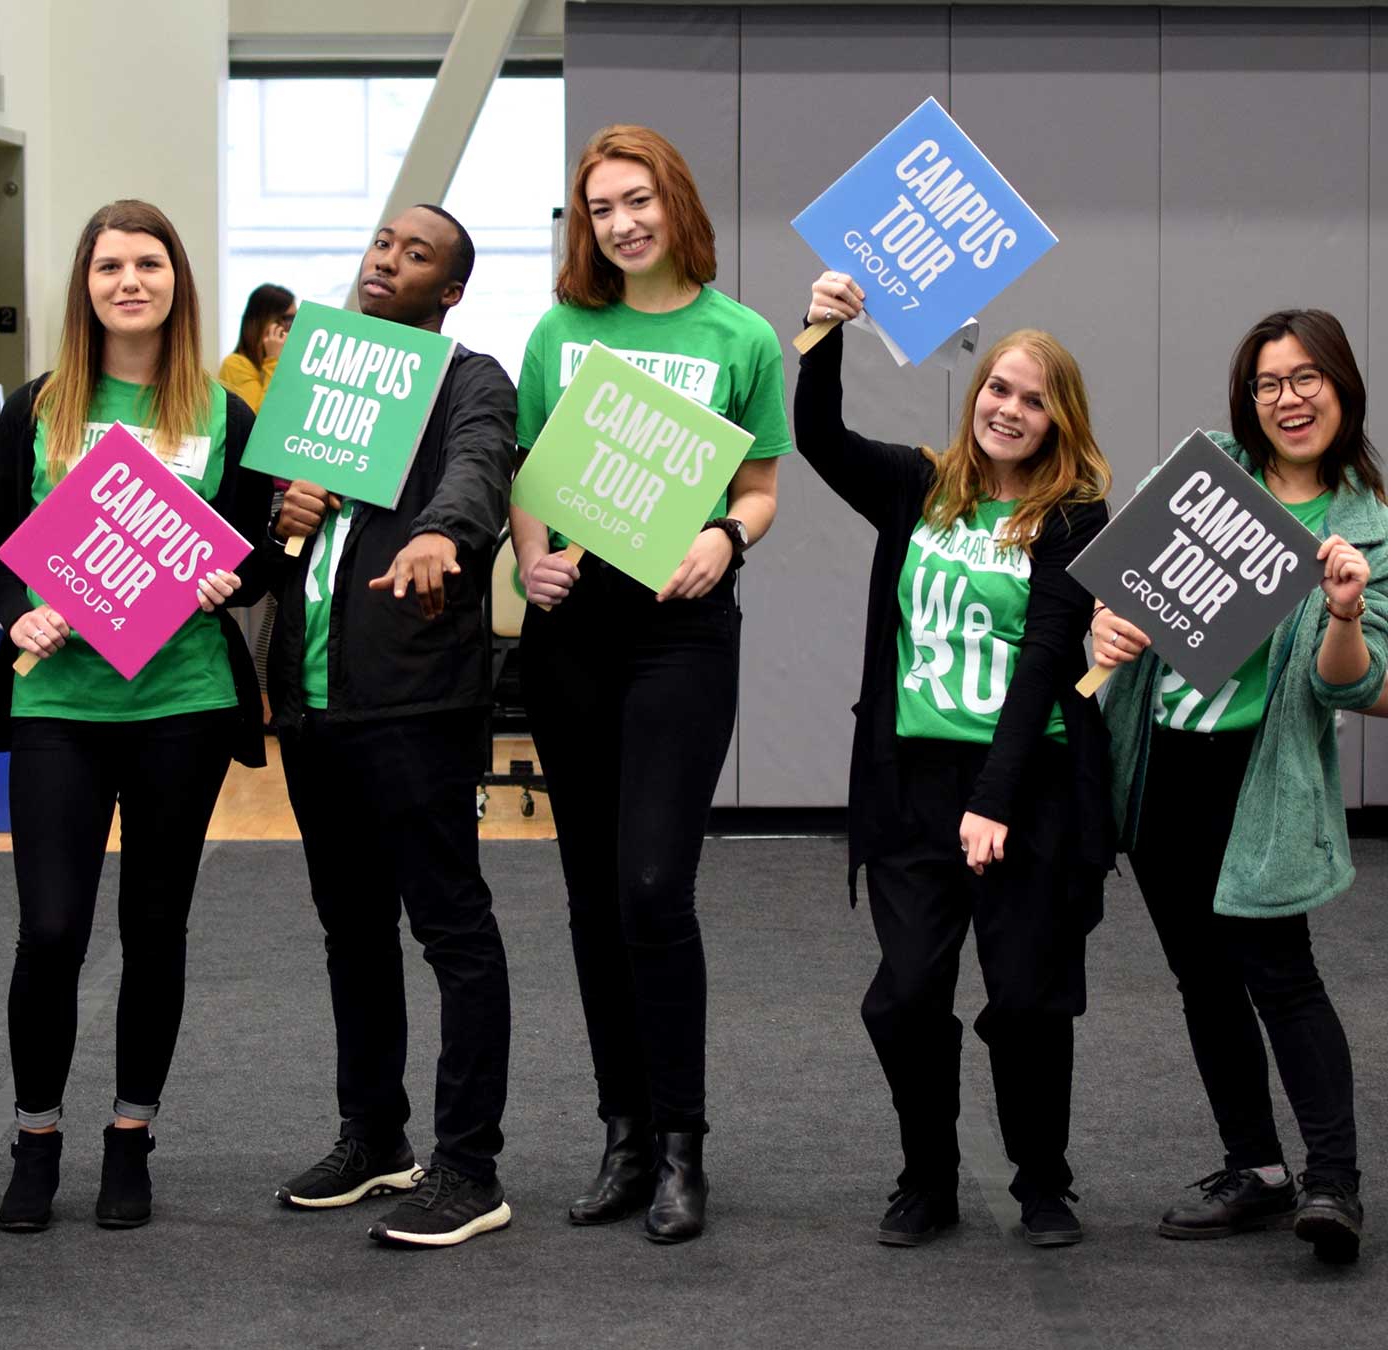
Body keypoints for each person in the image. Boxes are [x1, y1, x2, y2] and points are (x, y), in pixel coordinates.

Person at [511, 125, 788, 1245]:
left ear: (674, 202)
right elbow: (533, 470)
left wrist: (728, 536)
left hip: (679, 631)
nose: (621, 223)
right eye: (599, 209)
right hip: (572, 629)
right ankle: (623, 1135)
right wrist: (530, 557)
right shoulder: (559, 330)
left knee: (652, 888)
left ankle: (683, 1145)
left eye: (636, 200)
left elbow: (763, 487)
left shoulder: (744, 336)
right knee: (588, 895)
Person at [798, 271, 1113, 1248]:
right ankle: (927, 1175)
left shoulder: (1073, 521)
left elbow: (1044, 669)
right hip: (911, 788)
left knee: (1025, 1002)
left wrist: (995, 800)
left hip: (1032, 787)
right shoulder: (918, 486)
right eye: (997, 390)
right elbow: (817, 439)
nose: (1009, 409)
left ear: (1060, 420)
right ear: (972, 395)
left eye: (1032, 398)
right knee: (904, 996)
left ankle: (1042, 1184)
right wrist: (820, 329)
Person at [0, 199, 268, 1233]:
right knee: (50, 929)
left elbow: (259, 546)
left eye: (149, 263)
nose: (129, 281)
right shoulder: (39, 404)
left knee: (154, 929)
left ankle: (131, 1136)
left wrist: (227, 574)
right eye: (110, 265)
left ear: (177, 281)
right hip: (62, 701)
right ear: (84, 283)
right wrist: (20, 616)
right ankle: (35, 1136)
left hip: (180, 701)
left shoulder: (225, 417)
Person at [1091, 309, 1386, 1264]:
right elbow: (1124, 588)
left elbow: (1360, 684)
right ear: (1246, 399)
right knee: (1203, 980)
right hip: (1165, 762)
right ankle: (1256, 1170)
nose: (1288, 399)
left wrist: (1340, 610)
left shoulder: (1365, 527)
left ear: (1342, 388)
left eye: (1307, 379)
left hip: (1261, 775)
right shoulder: (1210, 469)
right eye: (1269, 383)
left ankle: (1333, 1184)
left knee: (1281, 974)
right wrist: (1107, 628)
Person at [263, 204, 517, 1250]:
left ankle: (470, 1166)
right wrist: (282, 505)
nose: (388, 262)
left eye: (417, 256)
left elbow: (480, 468)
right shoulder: (322, 376)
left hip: (413, 699)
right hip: (315, 702)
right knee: (351, 931)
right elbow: (258, 522)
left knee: (450, 928)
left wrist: (440, 535)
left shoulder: (471, 378)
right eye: (382, 244)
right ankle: (374, 1135)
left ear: (447, 290)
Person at [217, 283, 295, 412]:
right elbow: (258, 420)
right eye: (289, 319)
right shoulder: (235, 364)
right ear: (265, 321)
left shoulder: (289, 363)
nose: (292, 327)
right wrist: (273, 361)